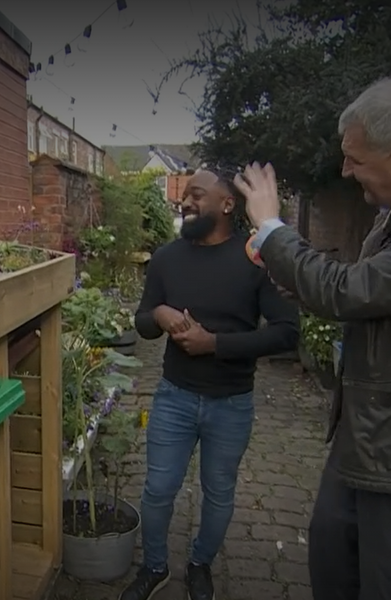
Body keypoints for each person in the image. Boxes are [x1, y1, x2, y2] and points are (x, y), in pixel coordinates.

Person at [235, 75, 391, 600]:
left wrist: (271, 227)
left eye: (355, 159)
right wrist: (303, 285)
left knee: (388, 581)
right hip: (365, 432)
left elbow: (349, 291)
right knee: (332, 554)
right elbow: (371, 298)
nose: (344, 169)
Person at [120, 170, 300, 600]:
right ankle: (155, 566)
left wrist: (213, 343)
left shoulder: (255, 258)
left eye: (196, 195)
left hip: (231, 403)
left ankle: (200, 564)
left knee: (218, 494)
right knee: (158, 489)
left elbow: (286, 332)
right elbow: (143, 324)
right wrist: (160, 313)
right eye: (183, 197)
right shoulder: (166, 258)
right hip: (174, 397)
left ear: (227, 204)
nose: (186, 203)